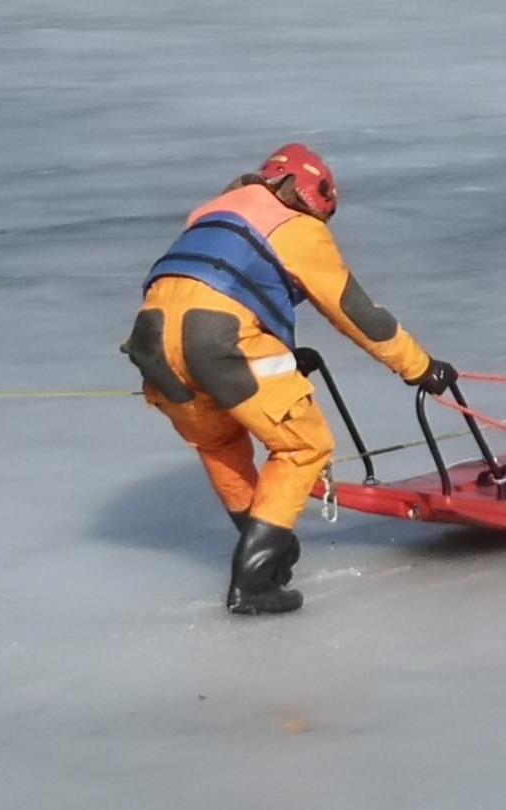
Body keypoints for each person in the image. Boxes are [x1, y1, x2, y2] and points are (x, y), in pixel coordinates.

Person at [123, 143, 457, 616]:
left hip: (151, 343)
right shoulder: (297, 228)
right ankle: (255, 579)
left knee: (219, 444)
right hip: (220, 342)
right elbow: (356, 313)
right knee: (304, 445)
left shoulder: (213, 212)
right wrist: (420, 367)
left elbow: (221, 283)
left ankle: (267, 548)